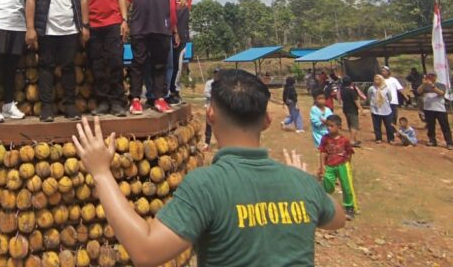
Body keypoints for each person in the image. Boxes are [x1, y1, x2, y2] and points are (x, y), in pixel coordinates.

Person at [72, 69, 345, 267]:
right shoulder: (301, 183)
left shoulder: (206, 185)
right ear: (267, 120)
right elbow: (337, 219)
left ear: (210, 114)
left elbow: (145, 251)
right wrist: (301, 179)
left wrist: (100, 172)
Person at [25, 0, 89, 122]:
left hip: (70, 28)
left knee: (69, 67)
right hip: (47, 28)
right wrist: (30, 28)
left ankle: (69, 104)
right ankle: (46, 107)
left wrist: (84, 25)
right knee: (46, 67)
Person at [125, 0, 185, 115]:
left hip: (161, 24)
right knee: (138, 63)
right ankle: (135, 99)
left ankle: (160, 98)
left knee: (160, 64)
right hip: (139, 25)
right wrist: (123, 20)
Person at [166, 0, 227, 105]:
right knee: (163, 65)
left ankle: (174, 92)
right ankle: (160, 94)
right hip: (164, 32)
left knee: (177, 65)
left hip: (182, 35)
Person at [80, 0, 128, 117]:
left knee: (116, 61)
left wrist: (124, 20)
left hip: (113, 23)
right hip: (93, 24)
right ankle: (102, 101)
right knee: (97, 64)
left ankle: (117, 102)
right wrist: (84, 25)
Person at [317, 115, 357, 220]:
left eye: (331, 126)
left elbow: (349, 153)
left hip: (342, 165)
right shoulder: (325, 139)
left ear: (339, 127)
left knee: (346, 186)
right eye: (327, 126)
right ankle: (324, 206)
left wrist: (348, 165)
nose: (329, 128)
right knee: (327, 184)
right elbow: (322, 152)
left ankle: (349, 208)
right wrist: (322, 166)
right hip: (329, 166)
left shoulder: (344, 140)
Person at [417, 72, 453, 149]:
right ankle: (432, 140)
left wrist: (432, 86)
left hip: (440, 109)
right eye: (428, 76)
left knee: (445, 126)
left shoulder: (441, 85)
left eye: (432, 76)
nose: (430, 78)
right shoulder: (425, 86)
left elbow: (441, 93)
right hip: (428, 109)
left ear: (435, 77)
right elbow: (418, 91)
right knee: (430, 126)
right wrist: (423, 84)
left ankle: (449, 142)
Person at [368, 74, 395, 144]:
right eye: (375, 79)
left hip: (386, 110)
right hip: (375, 110)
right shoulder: (371, 88)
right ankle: (378, 138)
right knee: (376, 125)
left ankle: (391, 138)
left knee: (389, 125)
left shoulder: (386, 89)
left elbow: (390, 98)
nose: (376, 81)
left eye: (378, 79)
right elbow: (369, 97)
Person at [339, 76, 362, 147]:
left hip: (346, 109)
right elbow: (356, 100)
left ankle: (354, 139)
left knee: (350, 124)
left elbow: (340, 99)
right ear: (351, 83)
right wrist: (361, 109)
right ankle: (352, 140)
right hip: (352, 110)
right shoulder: (351, 91)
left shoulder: (342, 91)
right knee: (354, 125)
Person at [201, 71, 215, 150]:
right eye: (215, 73)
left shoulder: (222, 83)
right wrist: (213, 95)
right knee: (209, 125)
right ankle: (207, 143)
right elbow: (206, 93)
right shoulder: (209, 83)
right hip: (209, 105)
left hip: (219, 107)